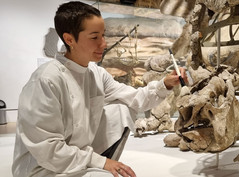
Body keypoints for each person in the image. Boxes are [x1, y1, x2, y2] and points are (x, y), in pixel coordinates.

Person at [12, 1, 187, 177]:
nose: (103, 44)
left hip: (78, 157)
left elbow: (135, 99)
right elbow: (48, 150)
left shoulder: (96, 73)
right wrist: (101, 162)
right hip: (43, 168)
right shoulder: (46, 80)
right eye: (95, 37)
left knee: (121, 108)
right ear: (69, 39)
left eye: (103, 35)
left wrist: (165, 84)